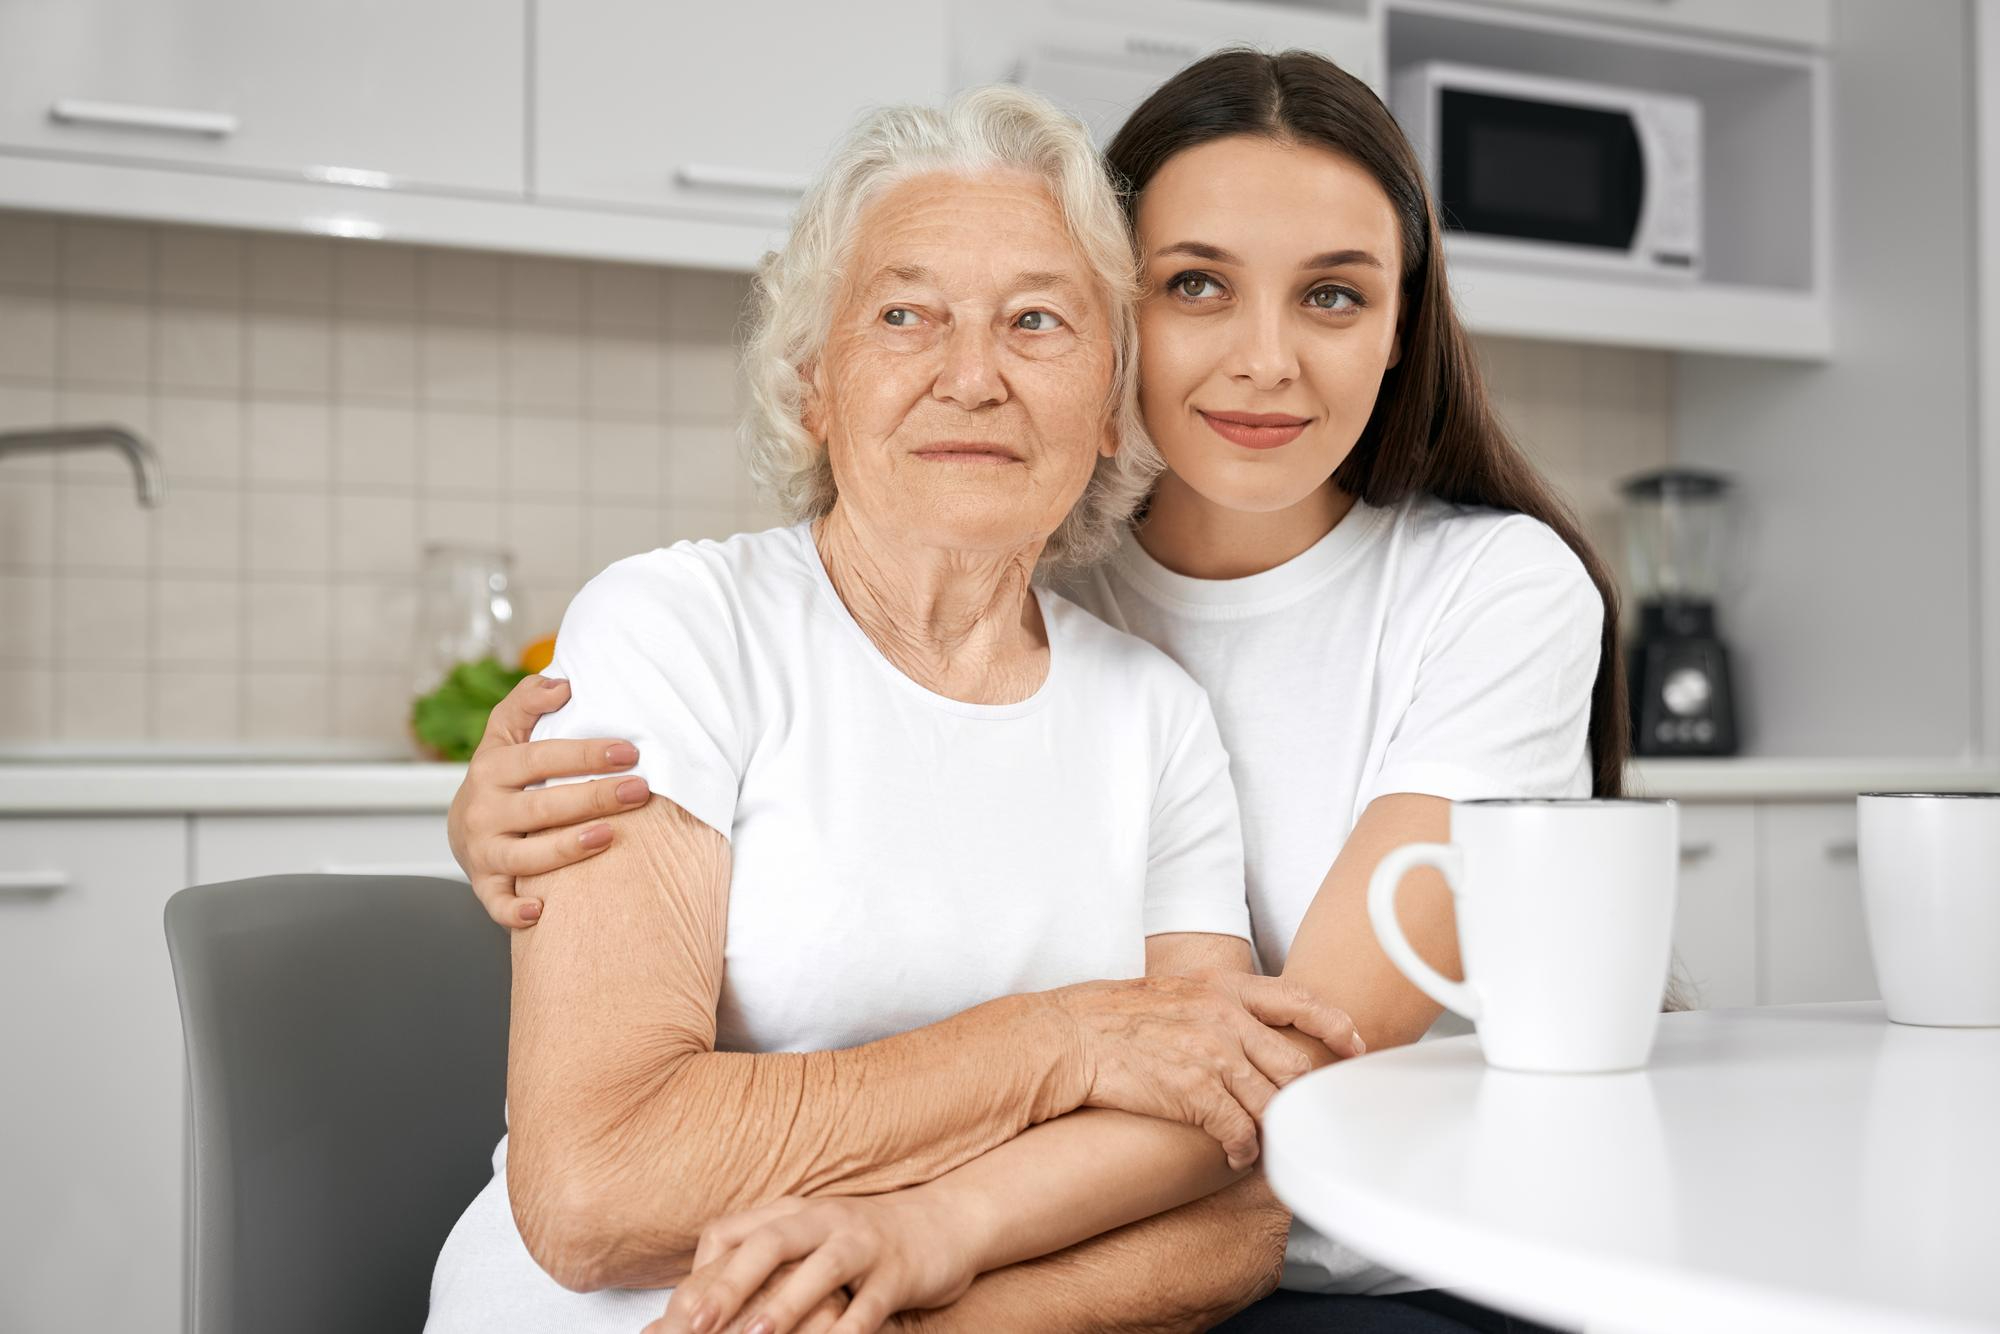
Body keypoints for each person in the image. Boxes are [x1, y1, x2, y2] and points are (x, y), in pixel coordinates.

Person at [452, 50, 1617, 1334]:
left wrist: (918, 1261)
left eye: (1036, 321)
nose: (971, 376)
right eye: (1195, 284)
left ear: (1101, 392)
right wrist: (1064, 1040)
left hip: (1323, 1260)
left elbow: (1256, 1127)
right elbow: (596, 1185)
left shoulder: (1179, 691)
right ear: (810, 379)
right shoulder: (719, 616)